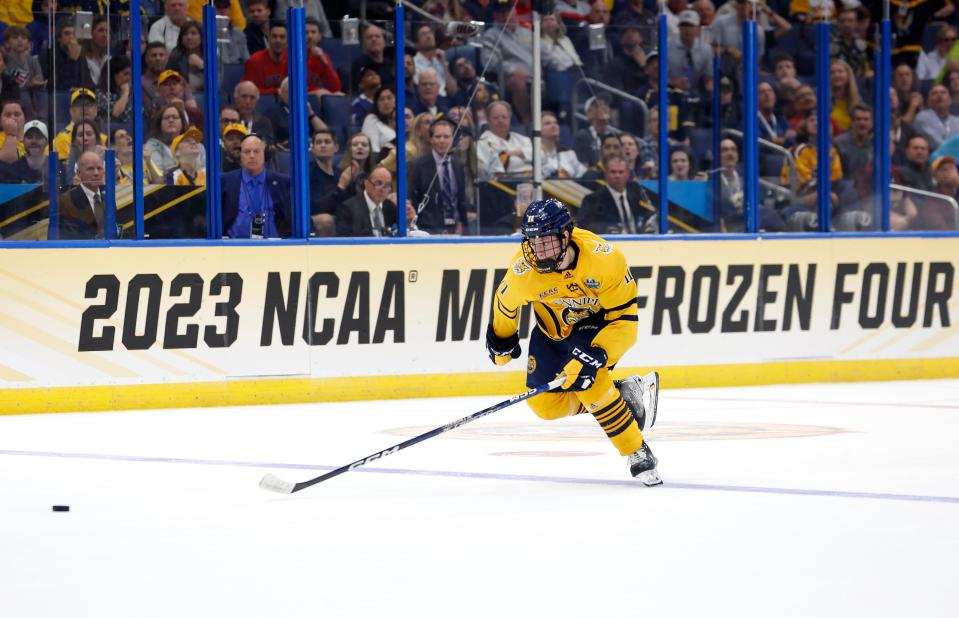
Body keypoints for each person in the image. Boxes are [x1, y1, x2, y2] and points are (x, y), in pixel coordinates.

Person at [485, 198, 662, 485]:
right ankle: (623, 394)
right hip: (552, 332)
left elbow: (626, 324)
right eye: (532, 241)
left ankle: (636, 449)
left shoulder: (605, 260)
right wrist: (502, 339)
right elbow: (505, 303)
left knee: (589, 379)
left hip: (598, 327)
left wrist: (597, 354)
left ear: (565, 236)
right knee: (545, 406)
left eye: (546, 241)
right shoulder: (524, 271)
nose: (538, 250)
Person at [221, 133, 291, 238]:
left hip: (275, 247)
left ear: (265, 154)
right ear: (240, 155)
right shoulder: (226, 181)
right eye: (247, 152)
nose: (252, 156)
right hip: (234, 247)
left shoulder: (282, 182)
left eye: (256, 151)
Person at [408, 118, 470, 234]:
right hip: (428, 230)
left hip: (456, 229)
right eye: (438, 137)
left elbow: (461, 201)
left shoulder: (458, 165)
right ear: (431, 139)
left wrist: (466, 229)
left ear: (453, 139)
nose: (442, 141)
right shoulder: (418, 165)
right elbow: (413, 199)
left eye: (446, 137)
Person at [577, 156, 654, 234]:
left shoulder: (637, 196)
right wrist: (607, 229)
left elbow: (648, 218)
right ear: (606, 174)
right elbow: (584, 228)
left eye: (621, 172)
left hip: (640, 243)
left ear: (628, 174)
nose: (617, 176)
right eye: (613, 172)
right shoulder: (592, 200)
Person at [58, 150, 114, 239]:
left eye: (99, 168)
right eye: (90, 169)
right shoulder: (66, 200)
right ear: (79, 173)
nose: (96, 173)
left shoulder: (109, 198)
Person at [335, 166, 401, 237]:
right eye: (378, 184)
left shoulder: (390, 207)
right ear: (366, 184)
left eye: (387, 185)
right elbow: (346, 243)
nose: (382, 189)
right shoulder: (348, 209)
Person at [477, 100, 533, 180]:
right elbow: (488, 172)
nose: (500, 120)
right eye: (496, 118)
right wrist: (526, 157)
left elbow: (541, 157)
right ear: (488, 121)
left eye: (504, 117)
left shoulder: (523, 139)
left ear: (510, 119)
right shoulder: (482, 143)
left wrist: (518, 153)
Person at [540, 110, 587, 179]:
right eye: (547, 123)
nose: (554, 126)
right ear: (537, 129)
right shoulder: (532, 154)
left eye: (555, 123)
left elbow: (584, 175)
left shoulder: (569, 154)